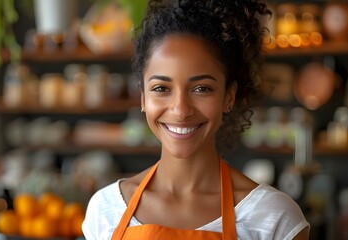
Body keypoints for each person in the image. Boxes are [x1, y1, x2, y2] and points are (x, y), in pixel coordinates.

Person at [82, 0, 310, 239]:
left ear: (228, 96)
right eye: (161, 88)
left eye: (201, 88)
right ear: (143, 97)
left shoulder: (273, 219)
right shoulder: (106, 210)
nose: (180, 110)